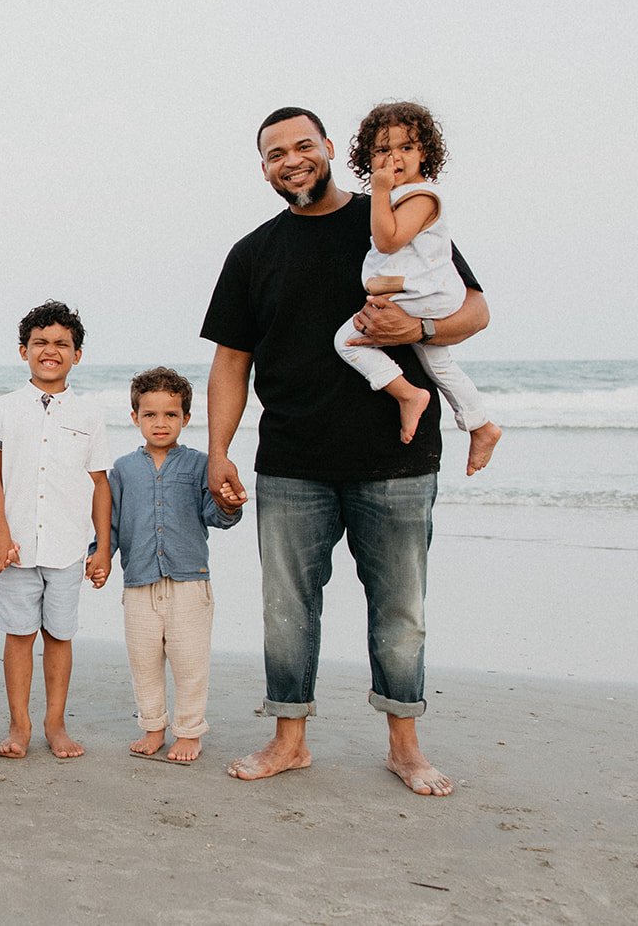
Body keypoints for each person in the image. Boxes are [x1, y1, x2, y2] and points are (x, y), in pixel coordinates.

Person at [204, 108, 491, 796]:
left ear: (331, 149)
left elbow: (475, 309)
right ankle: (289, 740)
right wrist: (217, 450)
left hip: (396, 456)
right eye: (276, 153)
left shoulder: (396, 219)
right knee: (286, 610)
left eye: (304, 145)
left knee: (400, 612)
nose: (292, 159)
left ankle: (405, 747)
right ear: (265, 168)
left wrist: (418, 323)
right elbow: (229, 362)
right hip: (292, 459)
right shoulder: (252, 253)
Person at [332, 100, 503, 474]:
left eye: (406, 147)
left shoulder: (422, 195)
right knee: (438, 361)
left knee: (346, 341)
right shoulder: (396, 196)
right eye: (382, 150)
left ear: (424, 152)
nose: (394, 157)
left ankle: (409, 395)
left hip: (424, 296)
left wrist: (378, 190)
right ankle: (480, 424)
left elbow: (389, 240)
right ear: (368, 156)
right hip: (419, 294)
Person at [0, 301, 113, 760]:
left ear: (77, 354)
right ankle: (19, 726)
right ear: (23, 351)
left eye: (61, 344)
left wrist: (103, 548)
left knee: (59, 635)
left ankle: (55, 724)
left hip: (68, 546)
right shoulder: (3, 409)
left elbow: (99, 484)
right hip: (15, 547)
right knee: (18, 635)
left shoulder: (90, 414)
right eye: (40, 343)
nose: (50, 351)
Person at [106, 367, 241, 763]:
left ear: (186, 417)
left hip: (189, 580)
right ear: (135, 418)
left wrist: (229, 504)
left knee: (190, 661)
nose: (160, 423)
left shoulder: (201, 465)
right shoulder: (123, 469)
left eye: (171, 415)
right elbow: (112, 520)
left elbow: (215, 515)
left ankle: (189, 731)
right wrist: (102, 555)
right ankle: (153, 727)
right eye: (150, 415)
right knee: (144, 660)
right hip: (139, 582)